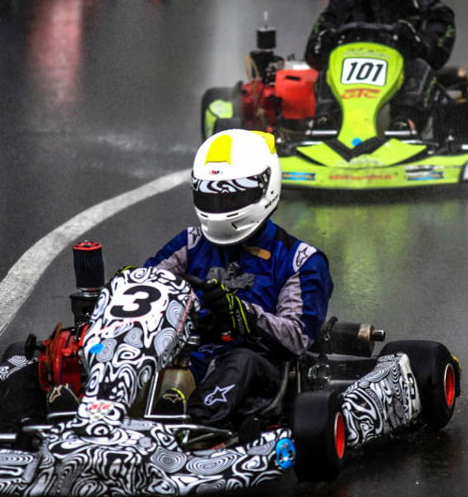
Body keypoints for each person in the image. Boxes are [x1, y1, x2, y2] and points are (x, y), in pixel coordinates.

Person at [143, 129, 333, 428]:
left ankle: (191, 426)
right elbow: (150, 286)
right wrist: (126, 288)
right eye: (211, 195)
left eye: (231, 195)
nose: (219, 207)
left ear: (266, 188)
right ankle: (96, 407)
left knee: (240, 361)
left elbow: (296, 338)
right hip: (191, 351)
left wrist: (242, 314)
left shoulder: (300, 260)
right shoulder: (191, 243)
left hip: (260, 368)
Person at [305, 0, 456, 135]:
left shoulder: (432, 11)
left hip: (404, 97)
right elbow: (312, 54)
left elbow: (437, 56)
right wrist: (326, 41)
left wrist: (413, 41)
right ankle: (324, 123)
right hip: (345, 97)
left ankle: (405, 126)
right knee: (330, 65)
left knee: (419, 66)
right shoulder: (345, 3)